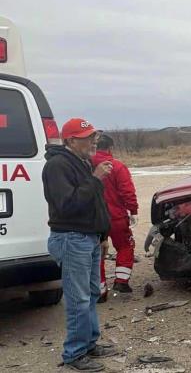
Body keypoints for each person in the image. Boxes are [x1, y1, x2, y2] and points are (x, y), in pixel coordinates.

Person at [43, 118, 118, 371]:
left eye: (94, 136)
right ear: (71, 140)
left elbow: (94, 204)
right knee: (78, 298)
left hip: (88, 238)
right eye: (87, 137)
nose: (93, 140)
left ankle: (88, 344)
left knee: (91, 294)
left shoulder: (81, 162)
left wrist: (102, 235)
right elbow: (68, 204)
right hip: (71, 238)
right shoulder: (57, 165)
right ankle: (74, 354)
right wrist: (95, 179)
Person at [92, 134, 138, 298]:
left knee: (96, 254)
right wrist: (133, 211)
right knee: (125, 246)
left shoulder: (84, 166)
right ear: (110, 148)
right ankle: (122, 282)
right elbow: (127, 192)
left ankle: (100, 291)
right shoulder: (117, 166)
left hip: (94, 220)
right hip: (116, 217)